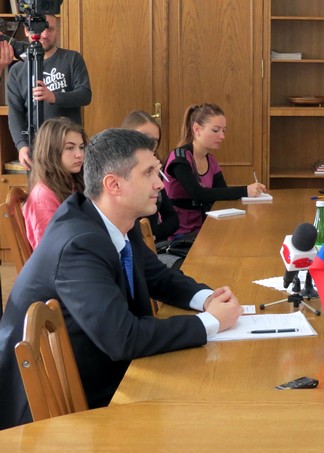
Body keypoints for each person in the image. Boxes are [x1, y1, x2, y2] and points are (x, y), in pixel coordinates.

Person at [0, 128, 243, 430]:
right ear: (113, 184)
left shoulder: (114, 218)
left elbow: (158, 276)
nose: (160, 184)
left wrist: (206, 299)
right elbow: (122, 338)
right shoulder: (79, 243)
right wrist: (211, 323)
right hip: (60, 407)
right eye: (149, 173)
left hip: (99, 369)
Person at [163, 103, 266, 236]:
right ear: (197, 129)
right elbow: (198, 194)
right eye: (216, 130)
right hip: (181, 235)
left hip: (206, 228)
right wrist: (245, 190)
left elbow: (222, 193)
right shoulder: (180, 158)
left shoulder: (211, 161)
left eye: (224, 131)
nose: (222, 136)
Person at [7, 14, 92, 171]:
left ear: (57, 30)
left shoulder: (72, 59)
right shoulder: (17, 71)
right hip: (38, 150)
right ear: (26, 30)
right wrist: (22, 146)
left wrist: (54, 97)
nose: (45, 34)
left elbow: (85, 95)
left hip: (71, 148)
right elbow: (15, 113)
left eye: (50, 29)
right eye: (41, 29)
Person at [23, 117, 87, 249]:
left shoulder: (72, 181)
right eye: (70, 148)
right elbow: (50, 248)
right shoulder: (43, 196)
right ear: (50, 151)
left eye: (81, 147)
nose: (79, 154)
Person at [121, 110, 179, 242]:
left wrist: (152, 236)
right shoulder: (119, 174)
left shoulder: (155, 171)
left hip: (151, 246)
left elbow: (172, 219)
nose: (150, 146)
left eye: (155, 141)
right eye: (144, 138)